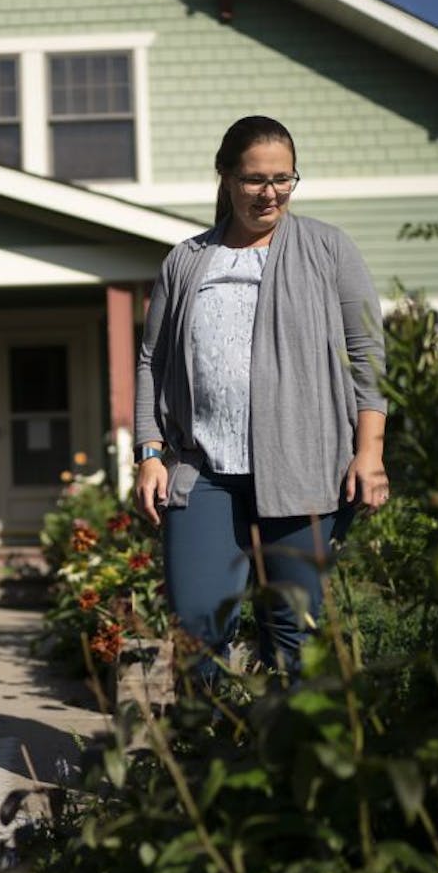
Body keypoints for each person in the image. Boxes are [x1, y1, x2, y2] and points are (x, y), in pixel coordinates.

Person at [132, 115, 388, 683]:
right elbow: (154, 360)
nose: (269, 192)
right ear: (226, 177)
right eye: (254, 179)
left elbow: (368, 353)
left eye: (283, 178)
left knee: (294, 629)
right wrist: (149, 452)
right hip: (205, 472)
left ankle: (289, 762)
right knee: (197, 625)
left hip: (304, 466)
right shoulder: (187, 260)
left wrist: (369, 453)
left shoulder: (327, 249)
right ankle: (207, 756)